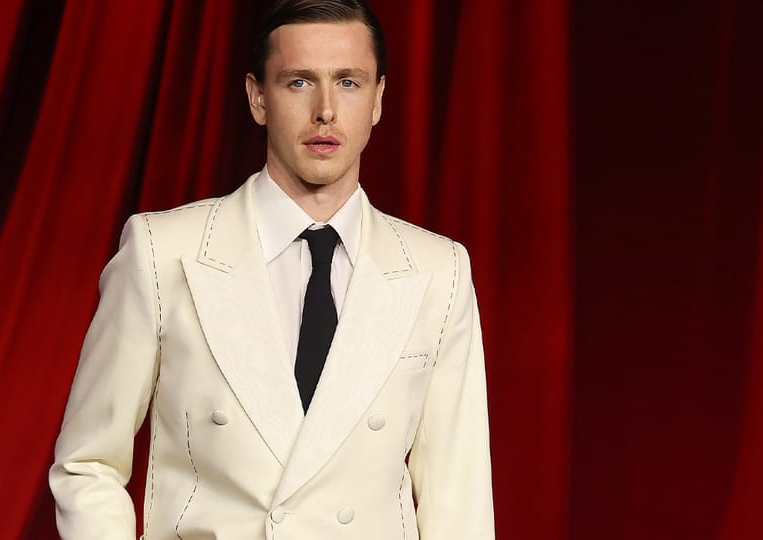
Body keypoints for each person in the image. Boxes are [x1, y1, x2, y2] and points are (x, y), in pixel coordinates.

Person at [49, 1, 495, 538]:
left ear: (378, 99)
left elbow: (459, 498)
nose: (325, 110)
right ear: (257, 97)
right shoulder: (162, 252)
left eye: (348, 82)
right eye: (299, 82)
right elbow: (88, 463)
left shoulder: (439, 271)